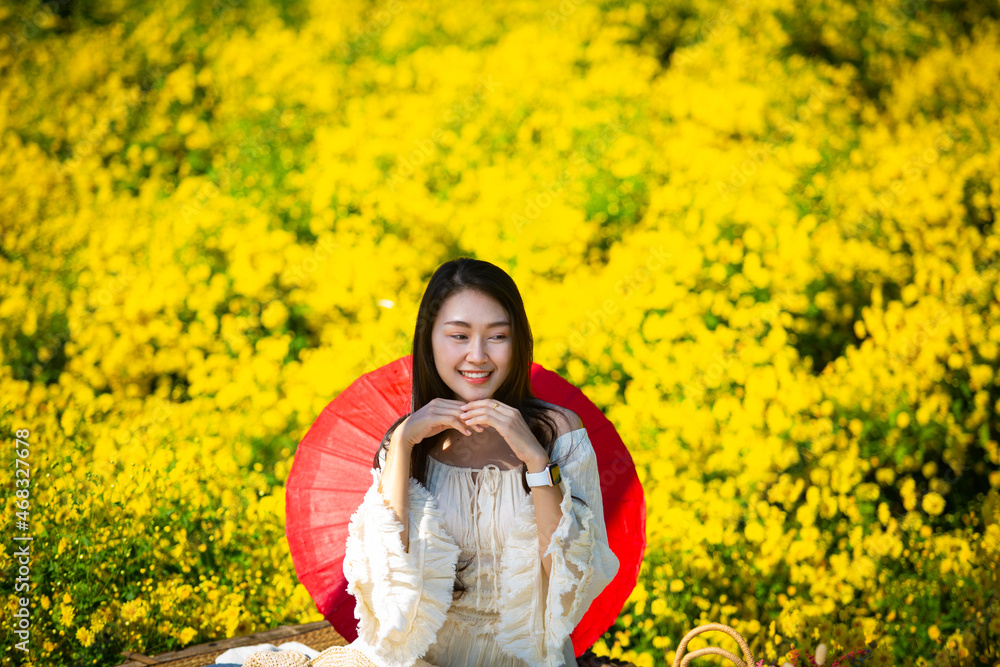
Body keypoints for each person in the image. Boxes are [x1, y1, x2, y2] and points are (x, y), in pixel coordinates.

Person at [252, 258, 620, 667]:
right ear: (429, 340)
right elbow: (387, 583)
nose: (477, 356)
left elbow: (570, 575)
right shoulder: (410, 439)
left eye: (497, 336)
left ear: (518, 343)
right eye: (458, 336)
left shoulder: (557, 430)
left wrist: (534, 458)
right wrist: (403, 444)